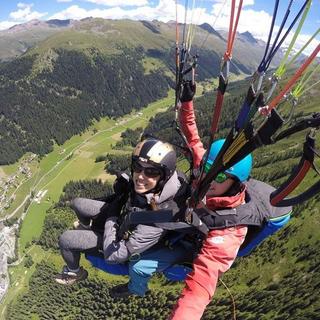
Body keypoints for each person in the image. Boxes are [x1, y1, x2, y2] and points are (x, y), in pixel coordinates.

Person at [168, 81, 292, 319]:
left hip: (197, 245)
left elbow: (199, 290)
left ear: (235, 183)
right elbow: (193, 138)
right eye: (207, 167)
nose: (210, 176)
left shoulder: (231, 228)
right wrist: (186, 102)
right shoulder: (208, 170)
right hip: (190, 218)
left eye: (221, 175)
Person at [54, 138, 193, 298]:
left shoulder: (158, 219)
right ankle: (87, 230)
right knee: (78, 204)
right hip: (124, 219)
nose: (140, 176)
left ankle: (74, 272)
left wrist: (112, 216)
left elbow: (114, 256)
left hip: (123, 245)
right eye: (137, 167)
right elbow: (135, 197)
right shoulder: (168, 183)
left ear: (163, 176)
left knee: (66, 240)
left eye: (151, 172)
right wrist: (122, 191)